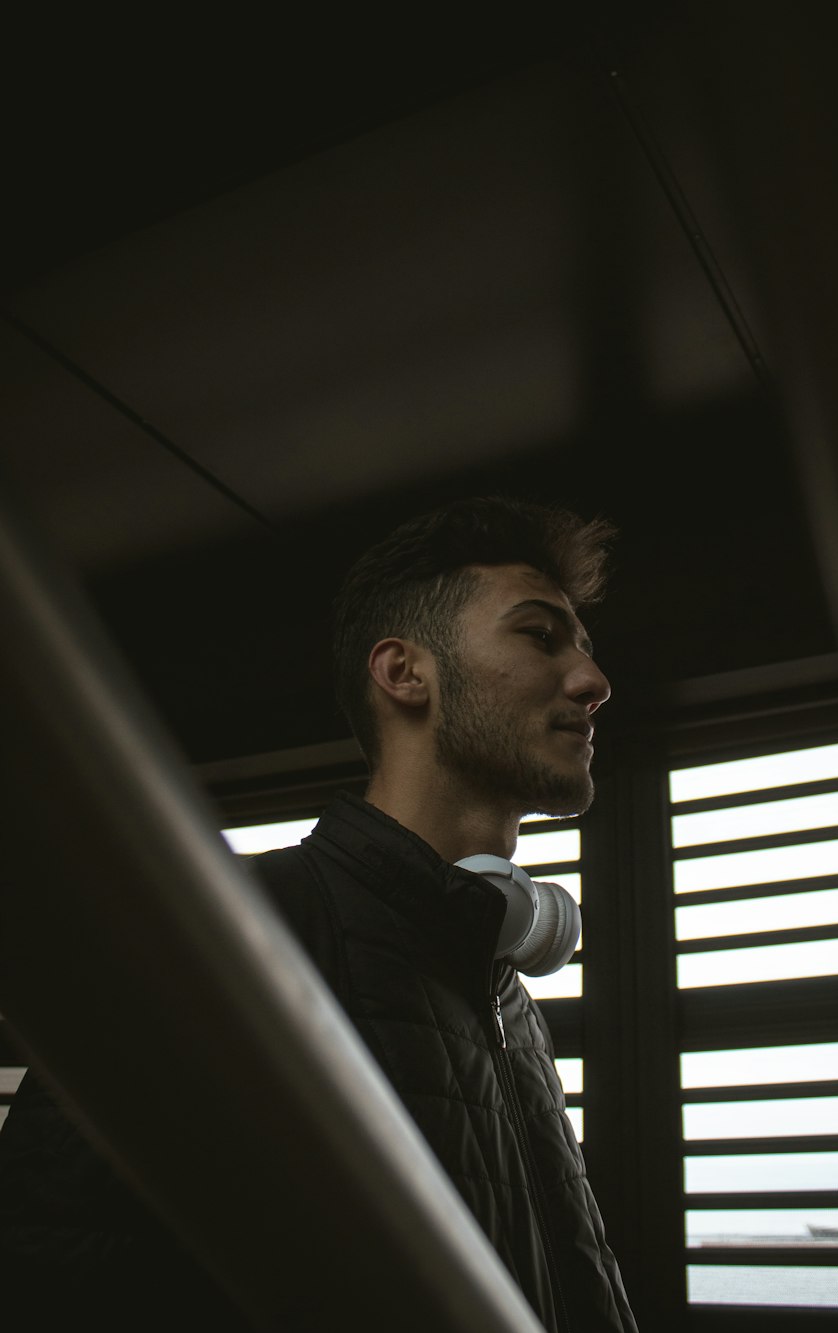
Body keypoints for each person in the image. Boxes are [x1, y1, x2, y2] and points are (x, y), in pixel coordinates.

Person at [0, 494, 638, 1332]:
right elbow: (49, 1276)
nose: (594, 682)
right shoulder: (230, 933)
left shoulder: (499, 982)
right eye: (539, 635)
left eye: (584, 648)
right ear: (404, 672)